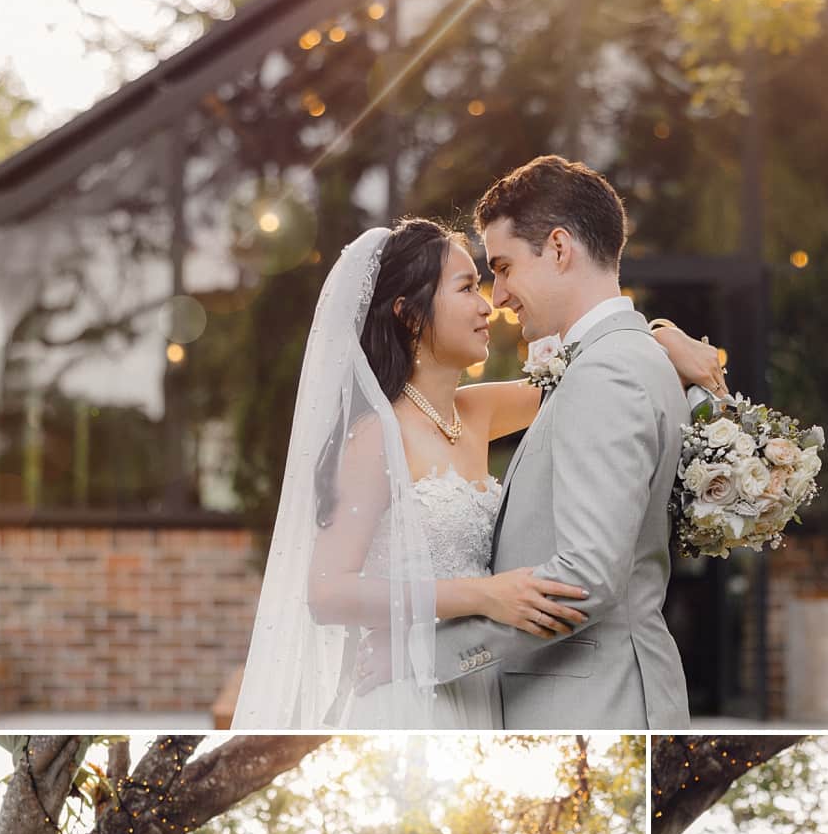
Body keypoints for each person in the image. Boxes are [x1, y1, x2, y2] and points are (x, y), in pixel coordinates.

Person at [233, 211, 723, 728]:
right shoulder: (376, 438)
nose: (489, 306)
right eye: (467, 287)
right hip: (409, 692)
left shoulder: (476, 411)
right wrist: (484, 596)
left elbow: (595, 370)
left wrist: (663, 336)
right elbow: (327, 592)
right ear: (409, 313)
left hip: (484, 683)